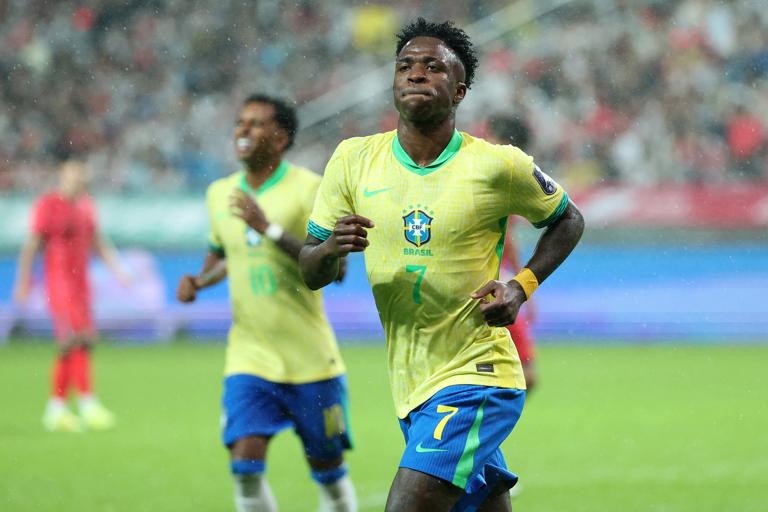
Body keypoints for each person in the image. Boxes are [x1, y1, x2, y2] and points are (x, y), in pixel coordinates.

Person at [299, 18, 584, 512]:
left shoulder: (498, 164)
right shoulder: (352, 160)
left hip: (478, 375)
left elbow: (568, 219)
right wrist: (328, 251)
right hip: (413, 382)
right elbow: (310, 270)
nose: (415, 74)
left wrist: (521, 286)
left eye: (433, 67)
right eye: (405, 66)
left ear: (460, 89)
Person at [176, 94, 357, 512]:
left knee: (328, 472)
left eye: (256, 124)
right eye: (240, 122)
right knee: (245, 466)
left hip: (311, 360)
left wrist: (269, 228)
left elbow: (337, 269)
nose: (242, 130)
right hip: (250, 358)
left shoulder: (310, 189)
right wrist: (199, 280)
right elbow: (225, 251)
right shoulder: (219, 193)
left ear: (280, 138)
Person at [13, 159, 128, 433]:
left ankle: (57, 409)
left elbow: (97, 240)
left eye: (81, 177)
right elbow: (32, 245)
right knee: (73, 339)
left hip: (81, 284)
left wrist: (118, 269)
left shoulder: (87, 205)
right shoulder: (48, 205)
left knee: (84, 341)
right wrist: (23, 281)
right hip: (60, 283)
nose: (77, 181)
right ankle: (87, 404)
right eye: (72, 177)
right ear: (62, 177)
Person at [487, 114, 538, 393]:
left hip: (488, 279)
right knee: (527, 375)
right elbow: (507, 239)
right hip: (494, 281)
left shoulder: (492, 170)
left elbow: (508, 239)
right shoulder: (503, 174)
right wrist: (523, 285)